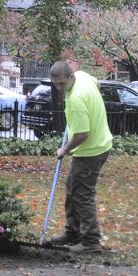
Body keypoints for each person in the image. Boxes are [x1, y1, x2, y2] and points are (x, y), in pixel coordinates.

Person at [47, 60, 112, 254]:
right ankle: (73, 231)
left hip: (90, 150)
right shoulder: (84, 77)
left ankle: (91, 241)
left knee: (82, 195)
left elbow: (83, 134)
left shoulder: (76, 99)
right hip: (100, 145)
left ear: (71, 77)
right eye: (55, 84)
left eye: (62, 84)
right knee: (72, 188)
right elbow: (97, 83)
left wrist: (64, 150)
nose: (59, 88)